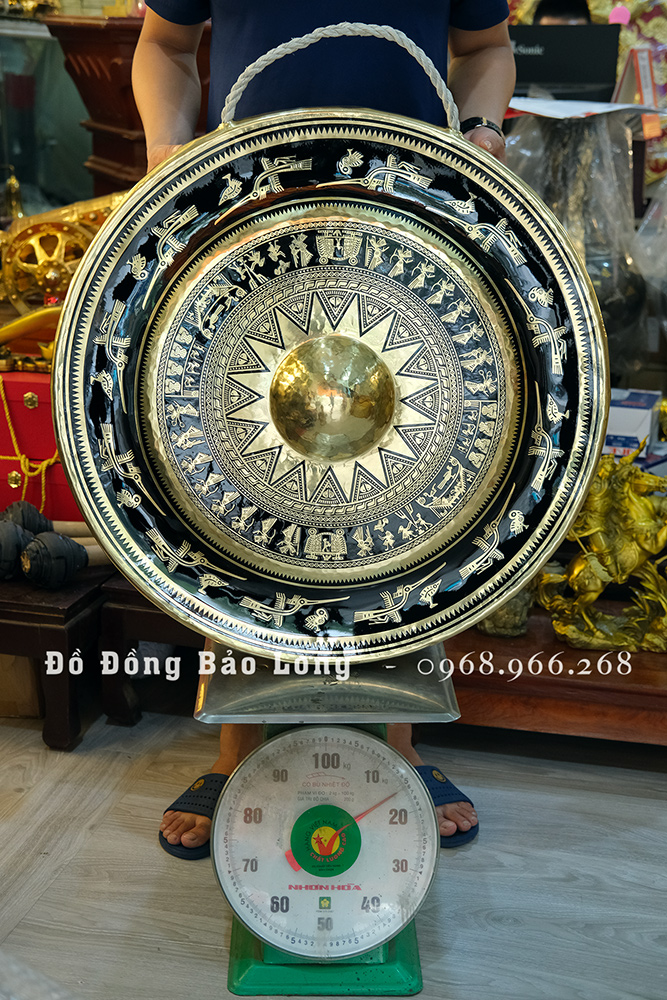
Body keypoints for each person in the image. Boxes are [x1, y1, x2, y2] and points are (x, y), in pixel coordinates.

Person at [132, 0, 515, 859]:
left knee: (422, 489)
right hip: (243, 219)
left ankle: (398, 745)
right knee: (225, 487)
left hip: (411, 218)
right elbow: (162, 45)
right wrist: (165, 151)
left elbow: (486, 47)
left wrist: (481, 130)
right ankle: (234, 751)